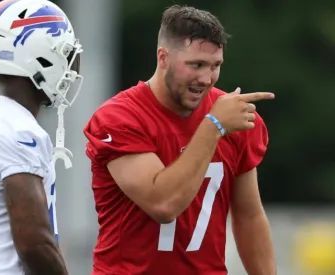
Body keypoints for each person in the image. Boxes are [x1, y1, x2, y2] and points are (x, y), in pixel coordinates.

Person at [84, 4, 276, 275]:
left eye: (215, 66)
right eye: (196, 65)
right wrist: (214, 127)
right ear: (163, 58)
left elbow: (249, 215)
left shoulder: (232, 116)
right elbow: (163, 204)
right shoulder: (120, 117)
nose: (206, 78)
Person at [0, 1, 83, 274]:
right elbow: (34, 243)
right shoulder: (17, 130)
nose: (70, 68)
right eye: (65, 54)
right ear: (39, 56)